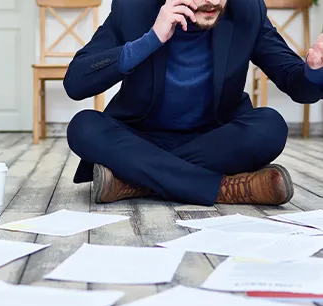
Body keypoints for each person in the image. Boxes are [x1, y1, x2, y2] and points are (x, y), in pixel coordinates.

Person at [64, 0, 323, 206]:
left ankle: (134, 180)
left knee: (271, 126)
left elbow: (296, 83)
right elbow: (76, 82)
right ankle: (220, 189)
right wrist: (151, 39)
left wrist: (314, 69)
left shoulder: (247, 9)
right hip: (141, 138)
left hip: (213, 141)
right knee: (83, 126)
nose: (211, 1)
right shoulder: (133, 7)